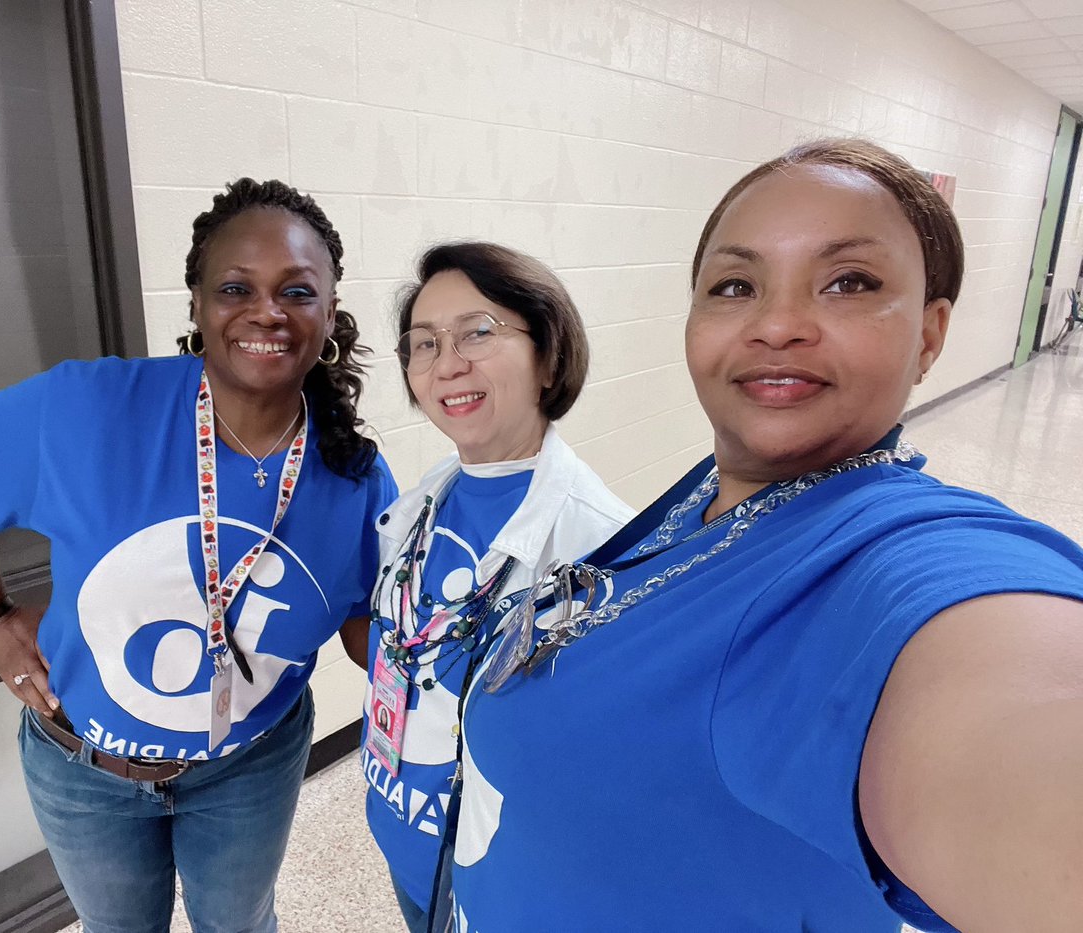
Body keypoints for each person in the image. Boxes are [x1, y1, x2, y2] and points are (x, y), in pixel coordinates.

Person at [447, 140, 1083, 933]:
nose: (777, 323)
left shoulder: (890, 565)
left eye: (850, 282)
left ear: (929, 334)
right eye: (735, 285)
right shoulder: (712, 499)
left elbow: (1017, 721)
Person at [0, 178, 396, 933]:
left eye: (297, 291)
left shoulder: (355, 475)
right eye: (236, 287)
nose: (267, 310)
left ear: (329, 314)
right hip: (83, 769)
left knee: (240, 925)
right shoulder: (94, 410)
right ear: (198, 305)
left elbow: (370, 633)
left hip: (249, 765)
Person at [346, 242, 633, 932]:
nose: (447, 362)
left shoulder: (599, 548)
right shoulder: (418, 505)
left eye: (478, 331)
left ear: (549, 355)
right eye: (423, 343)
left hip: (496, 885)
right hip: (407, 844)